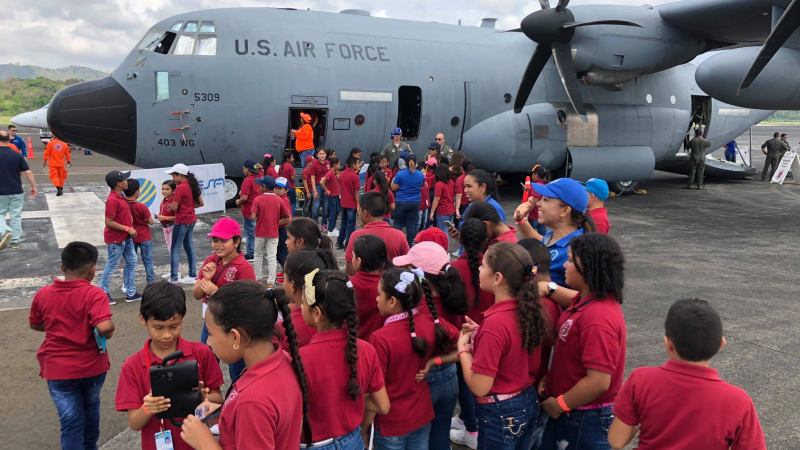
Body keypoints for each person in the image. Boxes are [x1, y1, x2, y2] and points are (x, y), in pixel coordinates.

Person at [608, 299, 766, 450]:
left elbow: (616, 441)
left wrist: (640, 416)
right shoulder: (739, 401)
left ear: (668, 344)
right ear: (721, 344)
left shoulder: (640, 380)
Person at [179, 281, 312, 449]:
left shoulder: (252, 402)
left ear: (235, 337)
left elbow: (256, 410)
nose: (208, 342)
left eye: (211, 334)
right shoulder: (281, 359)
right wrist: (225, 413)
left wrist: (205, 443)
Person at [537, 233, 627, 450]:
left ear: (586, 268)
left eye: (569, 260)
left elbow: (598, 381)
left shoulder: (598, 318)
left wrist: (559, 405)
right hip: (575, 413)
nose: (564, 266)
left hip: (585, 419)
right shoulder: (586, 301)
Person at [456, 242, 550, 450]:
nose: (479, 269)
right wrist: (482, 333)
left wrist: (463, 349)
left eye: (483, 266)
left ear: (497, 278)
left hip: (501, 412)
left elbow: (480, 387)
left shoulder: (495, 324)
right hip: (526, 399)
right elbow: (511, 345)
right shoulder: (527, 310)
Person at [116, 281, 223, 450]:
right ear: (142, 320)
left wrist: (204, 398)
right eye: (158, 328)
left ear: (183, 318)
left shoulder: (202, 353)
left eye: (174, 326)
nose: (166, 335)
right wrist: (147, 408)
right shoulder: (132, 367)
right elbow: (134, 424)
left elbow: (218, 398)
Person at [29, 242, 115, 450]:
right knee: (91, 407)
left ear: (62, 267)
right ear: (92, 269)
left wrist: (56, 327)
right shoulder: (94, 295)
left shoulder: (44, 294)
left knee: (70, 422)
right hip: (91, 367)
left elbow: (35, 323)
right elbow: (103, 326)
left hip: (57, 369)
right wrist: (110, 329)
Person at [299, 269, 391, 450]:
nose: (299, 307)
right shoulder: (367, 350)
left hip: (315, 444)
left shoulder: (301, 358)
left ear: (317, 313)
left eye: (302, 303)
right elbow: (383, 406)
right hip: (352, 440)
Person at [370, 268, 460, 449]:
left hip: (392, 422)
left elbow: (375, 387)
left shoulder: (380, 338)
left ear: (392, 301)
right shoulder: (432, 323)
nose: (377, 299)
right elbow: (466, 348)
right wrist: (434, 361)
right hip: (421, 415)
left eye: (379, 295)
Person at [392, 242, 467, 449]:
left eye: (409, 269)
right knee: (440, 436)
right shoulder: (455, 296)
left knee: (419, 438)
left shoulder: (417, 308)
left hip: (424, 378)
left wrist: (432, 361)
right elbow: (464, 344)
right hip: (450, 374)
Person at [192, 217, 255, 382]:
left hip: (235, 329)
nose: (217, 244)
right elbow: (197, 294)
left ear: (236, 242)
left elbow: (247, 305)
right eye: (214, 240)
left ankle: (237, 403)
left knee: (237, 372)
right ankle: (210, 401)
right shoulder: (211, 261)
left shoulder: (244, 268)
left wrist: (216, 292)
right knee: (206, 366)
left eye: (223, 240)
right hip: (210, 325)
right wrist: (206, 279)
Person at [448, 218, 492, 447]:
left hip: (461, 335)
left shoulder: (453, 269)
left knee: (465, 382)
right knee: (483, 381)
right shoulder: (493, 266)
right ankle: (471, 420)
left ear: (460, 239)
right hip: (489, 333)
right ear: (486, 240)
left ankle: (472, 429)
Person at [515, 177, 594, 287]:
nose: (538, 204)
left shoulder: (577, 249)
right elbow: (539, 244)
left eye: (546, 199)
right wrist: (521, 220)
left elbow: (582, 297)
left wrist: (549, 290)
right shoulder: (554, 235)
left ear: (565, 211)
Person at [345, 191, 409, 275]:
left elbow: (350, 270)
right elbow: (407, 265)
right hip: (391, 285)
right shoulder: (399, 235)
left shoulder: (356, 236)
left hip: (364, 285)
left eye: (359, 211)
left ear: (365, 213)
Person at [99, 170, 139, 304]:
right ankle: (103, 292)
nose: (127, 182)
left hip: (125, 237)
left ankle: (131, 291)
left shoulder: (120, 197)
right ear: (119, 184)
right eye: (125, 180)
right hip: (117, 238)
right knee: (113, 264)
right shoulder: (112, 200)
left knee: (132, 261)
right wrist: (128, 229)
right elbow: (109, 221)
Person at [166, 163, 204, 285]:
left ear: (180, 175)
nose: (173, 179)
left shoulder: (180, 188)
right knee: (189, 247)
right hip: (191, 219)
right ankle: (192, 275)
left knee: (175, 249)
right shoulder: (191, 185)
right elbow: (200, 203)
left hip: (181, 221)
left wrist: (171, 206)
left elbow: (175, 208)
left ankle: (174, 278)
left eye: (174, 176)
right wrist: (188, 207)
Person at [251, 175, 291, 286]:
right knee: (272, 257)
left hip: (260, 232)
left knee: (258, 255)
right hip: (273, 233)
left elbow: (253, 217)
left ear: (264, 187)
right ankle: (271, 281)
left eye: (260, 185)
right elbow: (288, 216)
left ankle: (258, 278)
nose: (258, 187)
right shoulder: (279, 200)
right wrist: (275, 223)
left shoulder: (258, 199)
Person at [0, 130, 36, 251]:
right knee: (16, 216)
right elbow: (28, 172)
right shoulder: (17, 155)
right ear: (9, 140)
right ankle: (15, 241)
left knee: (0, 213)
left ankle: (5, 230)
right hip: (16, 190)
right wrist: (33, 186)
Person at [351, 235, 391, 340]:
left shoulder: (346, 284)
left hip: (351, 345)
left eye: (352, 256)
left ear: (358, 262)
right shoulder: (391, 286)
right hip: (380, 344)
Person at [125, 179, 156, 286]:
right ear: (137, 192)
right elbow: (151, 222)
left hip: (130, 237)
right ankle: (150, 283)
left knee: (130, 262)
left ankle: (127, 283)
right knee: (147, 261)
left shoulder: (124, 205)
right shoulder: (141, 206)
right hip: (144, 237)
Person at [391, 153, 426, 247]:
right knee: (411, 224)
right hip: (415, 202)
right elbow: (422, 185)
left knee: (398, 223)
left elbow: (393, 188)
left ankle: (398, 244)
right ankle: (409, 245)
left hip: (401, 201)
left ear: (405, 163)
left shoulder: (400, 174)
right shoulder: (420, 175)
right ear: (416, 163)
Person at [236, 158, 261, 260]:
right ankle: (256, 250)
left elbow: (245, 198)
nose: (243, 170)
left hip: (249, 210)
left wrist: (238, 201)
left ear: (247, 169)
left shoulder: (247, 181)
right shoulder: (259, 177)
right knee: (254, 231)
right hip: (258, 209)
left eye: (244, 168)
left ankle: (251, 253)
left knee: (250, 232)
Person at [338, 156, 361, 249]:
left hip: (343, 202)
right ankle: (348, 243)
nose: (358, 165)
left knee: (343, 222)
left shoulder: (342, 174)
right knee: (351, 225)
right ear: (353, 165)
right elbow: (356, 192)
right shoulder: (355, 177)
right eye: (357, 163)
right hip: (352, 204)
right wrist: (358, 204)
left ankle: (339, 241)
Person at [157, 181, 177, 279]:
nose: (164, 191)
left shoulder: (173, 202)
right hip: (165, 228)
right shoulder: (164, 200)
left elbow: (177, 217)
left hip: (172, 227)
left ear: (173, 191)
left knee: (173, 250)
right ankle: (173, 270)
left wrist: (165, 218)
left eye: (167, 189)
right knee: (170, 250)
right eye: (163, 189)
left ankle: (176, 272)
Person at [430, 164, 456, 238]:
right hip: (451, 209)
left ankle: (444, 248)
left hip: (443, 211)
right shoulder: (451, 182)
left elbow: (437, 198)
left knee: (443, 232)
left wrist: (432, 212)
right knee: (449, 231)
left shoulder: (439, 184)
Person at [320, 157, 342, 237]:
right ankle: (331, 230)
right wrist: (327, 190)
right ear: (334, 165)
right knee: (333, 211)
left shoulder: (334, 173)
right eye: (339, 164)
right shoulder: (330, 173)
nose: (339, 166)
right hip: (331, 195)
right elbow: (322, 182)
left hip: (335, 194)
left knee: (337, 210)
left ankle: (333, 227)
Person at [526, 165, 549, 236]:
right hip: (542, 214)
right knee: (543, 234)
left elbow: (534, 201)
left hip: (534, 215)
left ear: (536, 175)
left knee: (529, 234)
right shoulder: (545, 184)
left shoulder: (535, 186)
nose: (532, 175)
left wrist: (527, 212)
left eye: (533, 174)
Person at [310, 149, 329, 227]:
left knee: (326, 205)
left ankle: (324, 224)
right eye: (320, 154)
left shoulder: (328, 163)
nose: (322, 155)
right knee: (316, 206)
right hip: (317, 186)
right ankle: (314, 223)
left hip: (326, 186)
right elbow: (312, 178)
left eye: (323, 153)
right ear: (317, 155)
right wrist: (314, 191)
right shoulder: (314, 164)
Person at [279, 151, 297, 215]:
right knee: (293, 202)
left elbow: (279, 176)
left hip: (283, 187)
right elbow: (292, 178)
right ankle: (292, 216)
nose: (293, 159)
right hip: (291, 186)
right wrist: (294, 175)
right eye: (292, 158)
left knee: (284, 202)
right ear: (288, 159)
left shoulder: (281, 166)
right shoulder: (290, 167)